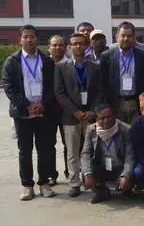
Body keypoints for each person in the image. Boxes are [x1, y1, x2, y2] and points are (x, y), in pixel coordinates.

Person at [4, 25, 58, 200]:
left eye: (32, 37)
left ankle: (44, 182)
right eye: (25, 37)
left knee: (45, 149)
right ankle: (27, 185)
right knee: (24, 150)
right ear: (20, 39)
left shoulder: (47, 61)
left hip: (44, 113)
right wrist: (27, 105)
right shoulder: (12, 61)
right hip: (23, 113)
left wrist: (44, 104)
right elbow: (10, 88)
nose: (29, 40)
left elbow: (53, 87)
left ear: (37, 39)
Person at [55, 33, 102, 197]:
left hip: (90, 116)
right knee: (72, 151)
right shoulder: (61, 67)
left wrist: (92, 111)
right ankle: (74, 183)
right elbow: (59, 93)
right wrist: (75, 112)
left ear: (86, 45)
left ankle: (94, 179)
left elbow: (99, 91)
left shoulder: (95, 67)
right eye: (74, 44)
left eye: (81, 44)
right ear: (69, 46)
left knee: (93, 150)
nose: (77, 47)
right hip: (71, 116)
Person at [99, 22, 144, 123]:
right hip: (116, 103)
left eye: (129, 36)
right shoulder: (106, 56)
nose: (126, 39)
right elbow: (102, 82)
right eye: (123, 35)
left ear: (134, 38)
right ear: (117, 37)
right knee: (118, 135)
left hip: (137, 103)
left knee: (137, 135)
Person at [80, 104, 136, 204]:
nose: (106, 120)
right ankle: (102, 192)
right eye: (102, 118)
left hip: (120, 166)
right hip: (102, 166)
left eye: (109, 116)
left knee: (133, 172)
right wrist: (87, 173)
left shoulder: (125, 129)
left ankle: (126, 189)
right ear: (96, 119)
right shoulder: (91, 130)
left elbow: (130, 155)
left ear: (114, 116)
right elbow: (86, 153)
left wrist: (126, 175)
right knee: (86, 172)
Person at [48, 35, 68, 183]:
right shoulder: (43, 64)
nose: (57, 48)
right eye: (54, 45)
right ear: (49, 47)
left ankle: (70, 173)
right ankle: (51, 174)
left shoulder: (70, 64)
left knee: (69, 143)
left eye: (60, 45)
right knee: (48, 144)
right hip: (47, 110)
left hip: (67, 111)